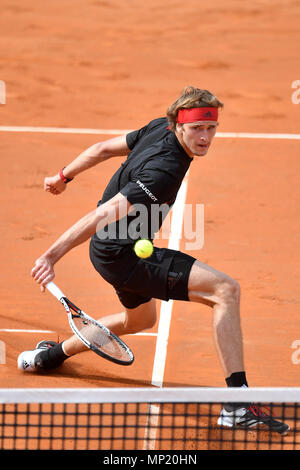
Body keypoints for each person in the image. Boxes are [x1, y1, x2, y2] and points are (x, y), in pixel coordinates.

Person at [18, 86, 289, 434]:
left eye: (211, 129)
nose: (205, 138)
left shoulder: (157, 127)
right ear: (179, 125)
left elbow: (102, 149)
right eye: (197, 130)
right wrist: (51, 255)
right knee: (225, 290)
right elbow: (104, 213)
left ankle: (50, 356)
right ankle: (238, 404)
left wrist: (63, 176)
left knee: (139, 320)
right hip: (122, 253)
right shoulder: (164, 170)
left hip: (113, 248)